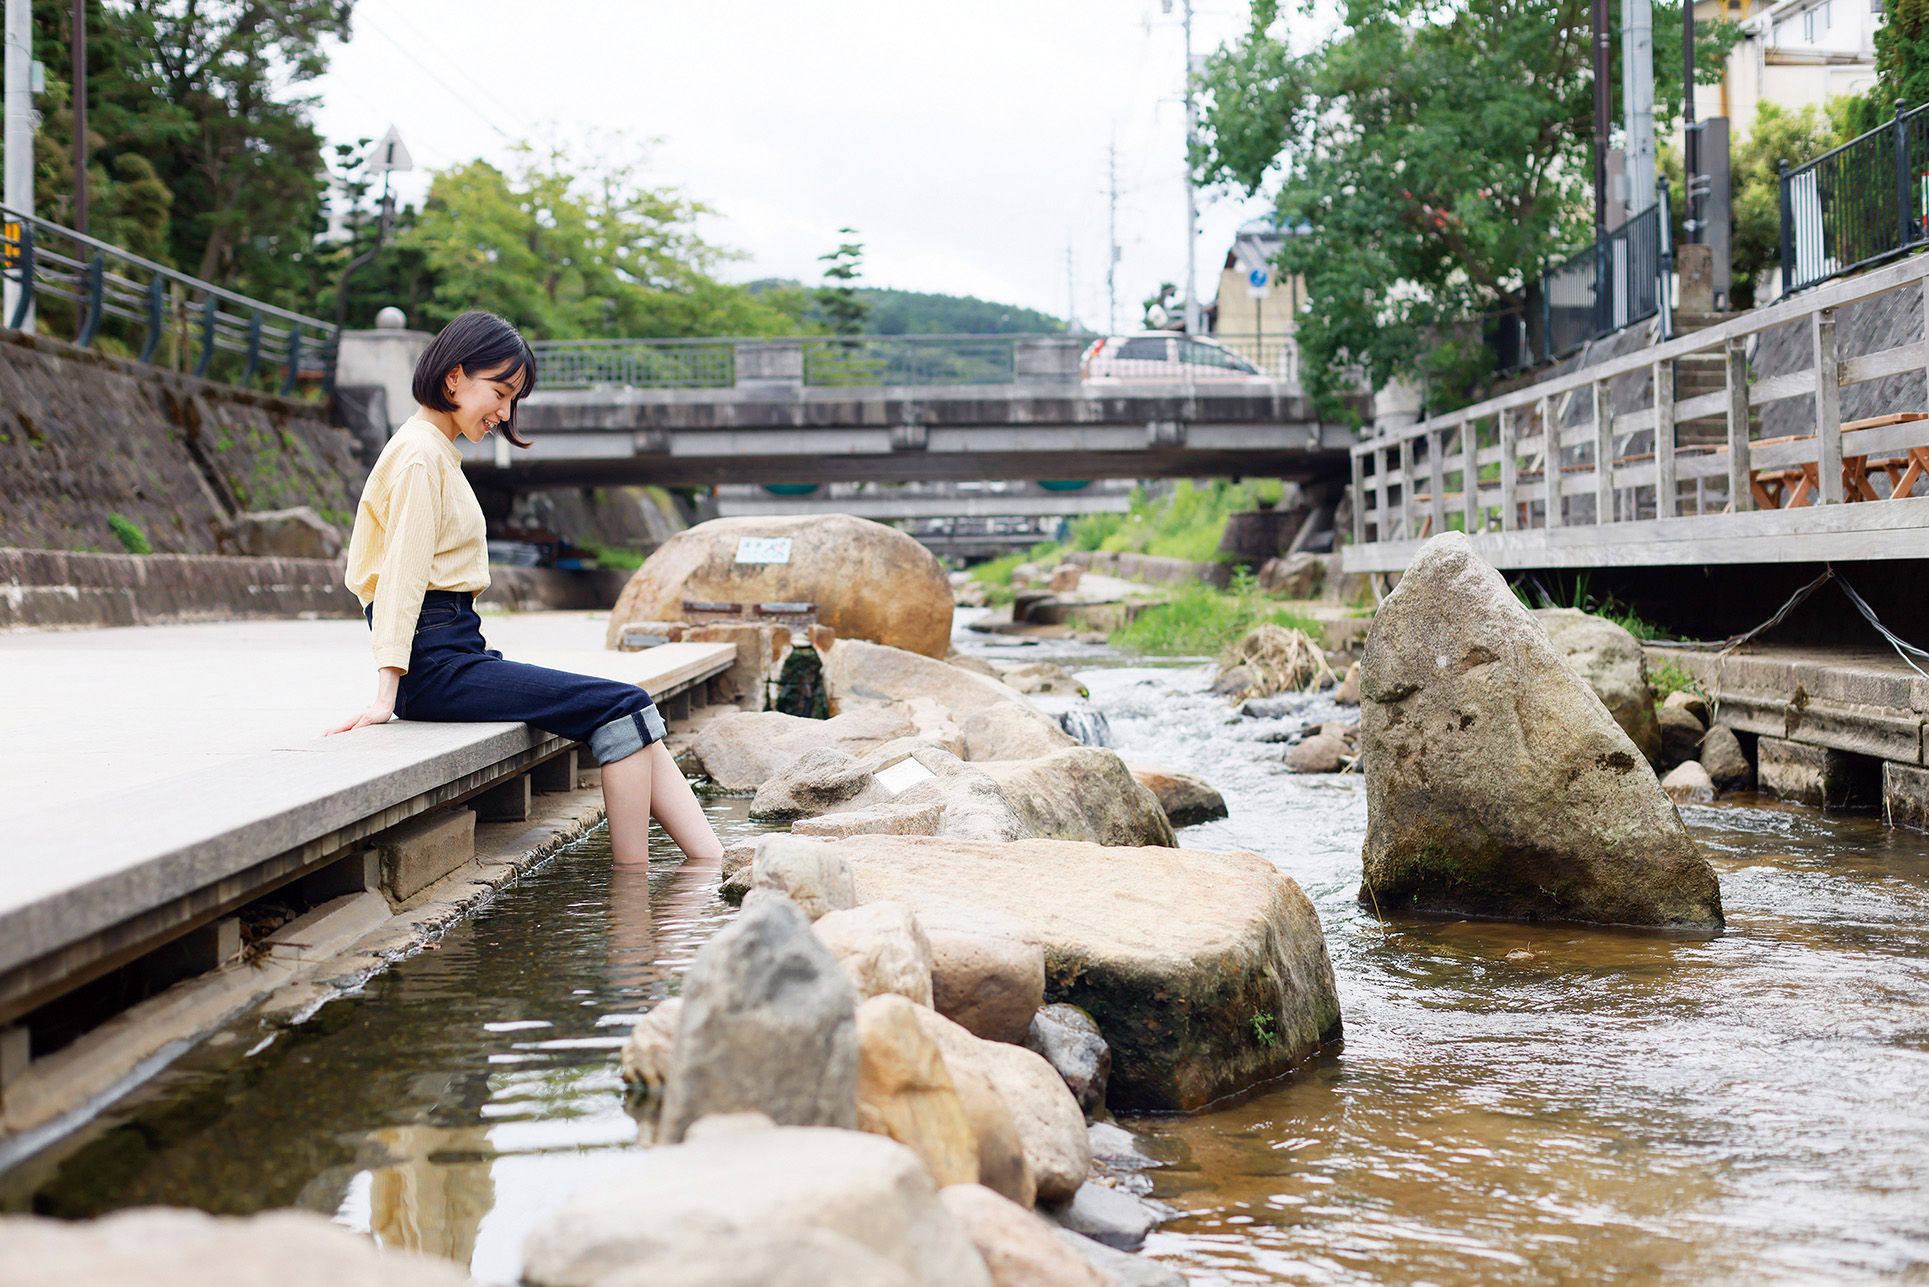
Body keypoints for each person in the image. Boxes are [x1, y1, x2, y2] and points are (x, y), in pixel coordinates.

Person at [324, 311, 721, 869]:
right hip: (435, 665)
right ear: (454, 376)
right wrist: (387, 693)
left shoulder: (431, 450)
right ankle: (633, 888)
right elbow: (401, 576)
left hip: (454, 652)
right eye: (501, 392)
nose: (505, 413)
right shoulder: (419, 455)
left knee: (629, 711)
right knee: (620, 703)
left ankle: (712, 863)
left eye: (514, 400)